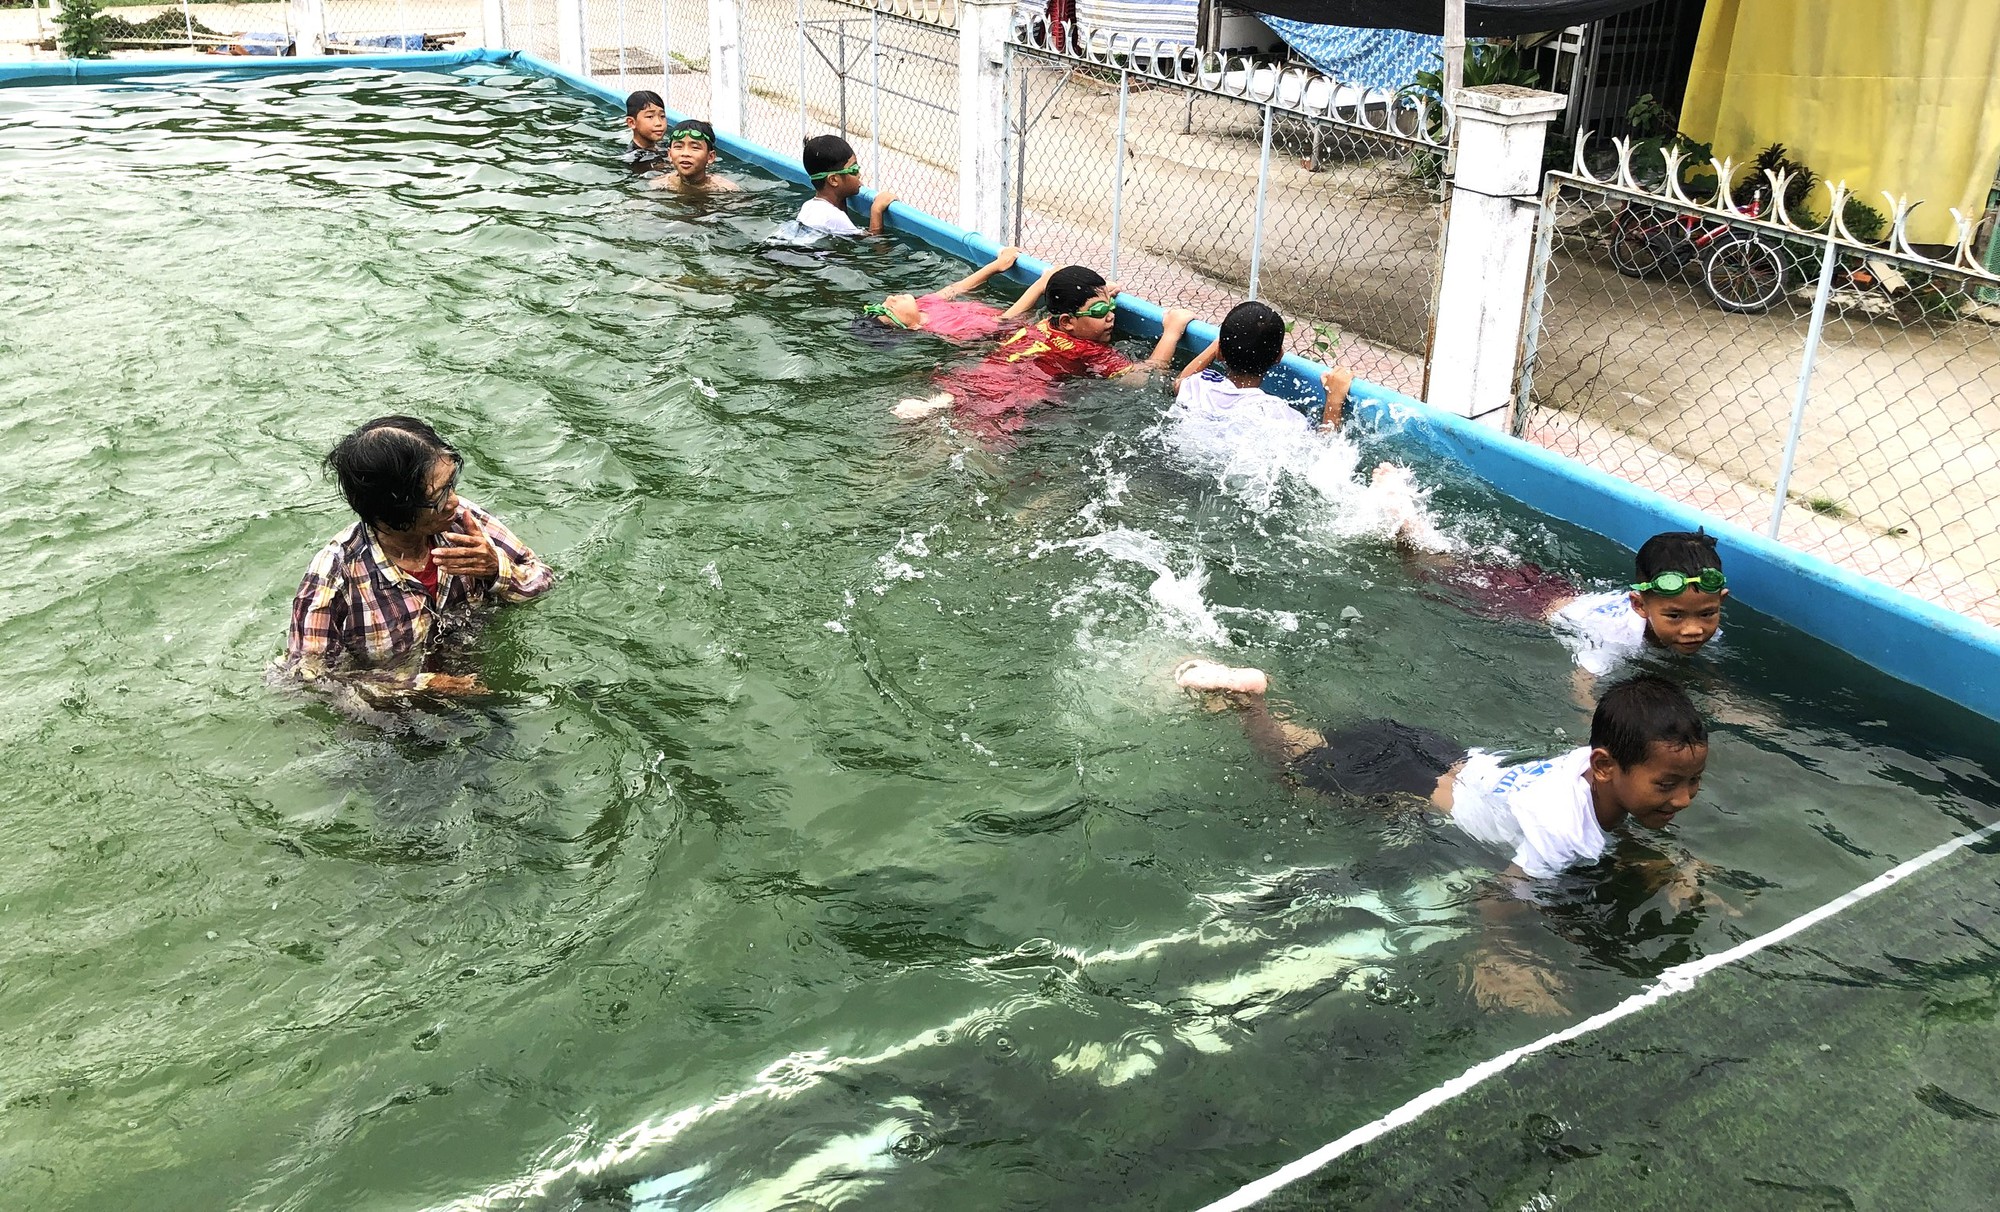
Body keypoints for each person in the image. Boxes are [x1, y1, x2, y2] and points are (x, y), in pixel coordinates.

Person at [1173, 662, 1723, 1013]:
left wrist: (1663, 866)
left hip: (1433, 750)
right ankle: (1251, 707)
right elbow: (1500, 897)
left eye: (1694, 781)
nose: (1683, 799)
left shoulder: (1589, 764)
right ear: (1606, 766)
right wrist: (1501, 956)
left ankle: (1244, 689)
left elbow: (1614, 821)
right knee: (1290, 775)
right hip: (1398, 780)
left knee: (1312, 748)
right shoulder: (1562, 833)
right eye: (1668, 784)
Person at [276, 416, 555, 701]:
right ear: (394, 508)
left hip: (477, 685)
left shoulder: (462, 521)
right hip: (391, 719)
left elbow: (542, 578)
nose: (455, 501)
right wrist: (419, 686)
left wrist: (496, 570)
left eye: (452, 484)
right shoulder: (334, 574)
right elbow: (306, 678)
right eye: (438, 495)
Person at [892, 265, 1195, 437]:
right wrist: (1171, 332)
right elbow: (1143, 377)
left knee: (961, 407)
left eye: (1111, 307)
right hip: (1011, 399)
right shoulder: (1087, 351)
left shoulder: (1044, 324)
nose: (1110, 316)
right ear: (1068, 321)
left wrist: (1099, 296)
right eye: (1101, 309)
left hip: (978, 375)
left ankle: (936, 404)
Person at [1171, 300, 1352, 440]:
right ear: (1278, 356)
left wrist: (1220, 346)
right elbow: (1322, 448)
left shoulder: (1200, 384)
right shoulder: (1274, 411)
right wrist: (1334, 402)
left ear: (1219, 353)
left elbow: (1179, 383)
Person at [863, 247, 1050, 342]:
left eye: (884, 302)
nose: (890, 298)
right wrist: (1040, 285)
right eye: (890, 308)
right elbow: (1006, 320)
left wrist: (996, 265)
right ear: (912, 327)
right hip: (1020, 330)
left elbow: (956, 289)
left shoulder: (923, 305)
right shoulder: (950, 330)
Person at [797, 134, 896, 236]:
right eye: (854, 170)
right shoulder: (835, 217)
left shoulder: (808, 206)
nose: (859, 175)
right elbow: (873, 242)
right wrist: (877, 209)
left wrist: (847, 189)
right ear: (833, 180)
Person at [652, 119, 738, 193]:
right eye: (678, 147)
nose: (685, 153)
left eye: (695, 147)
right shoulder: (660, 184)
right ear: (670, 154)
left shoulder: (725, 189)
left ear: (711, 157)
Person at [621, 90, 670, 174]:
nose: (658, 123)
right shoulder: (635, 160)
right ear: (631, 123)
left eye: (662, 116)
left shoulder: (665, 146)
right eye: (650, 116)